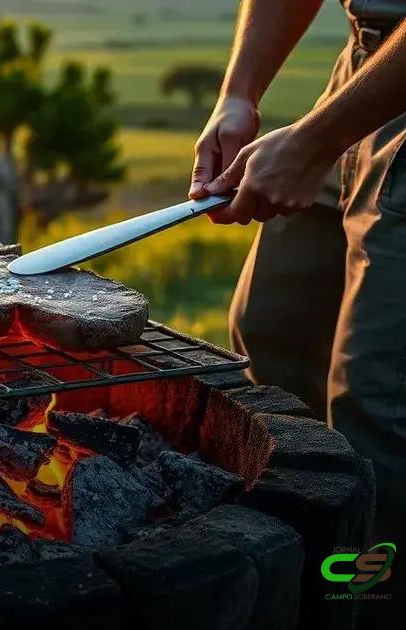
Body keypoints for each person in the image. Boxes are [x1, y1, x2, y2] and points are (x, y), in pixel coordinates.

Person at [190, 0, 406, 541]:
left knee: (380, 406)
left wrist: (314, 142)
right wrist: (238, 93)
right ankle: (297, 562)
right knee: (269, 331)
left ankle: (365, 583)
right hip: (363, 72)